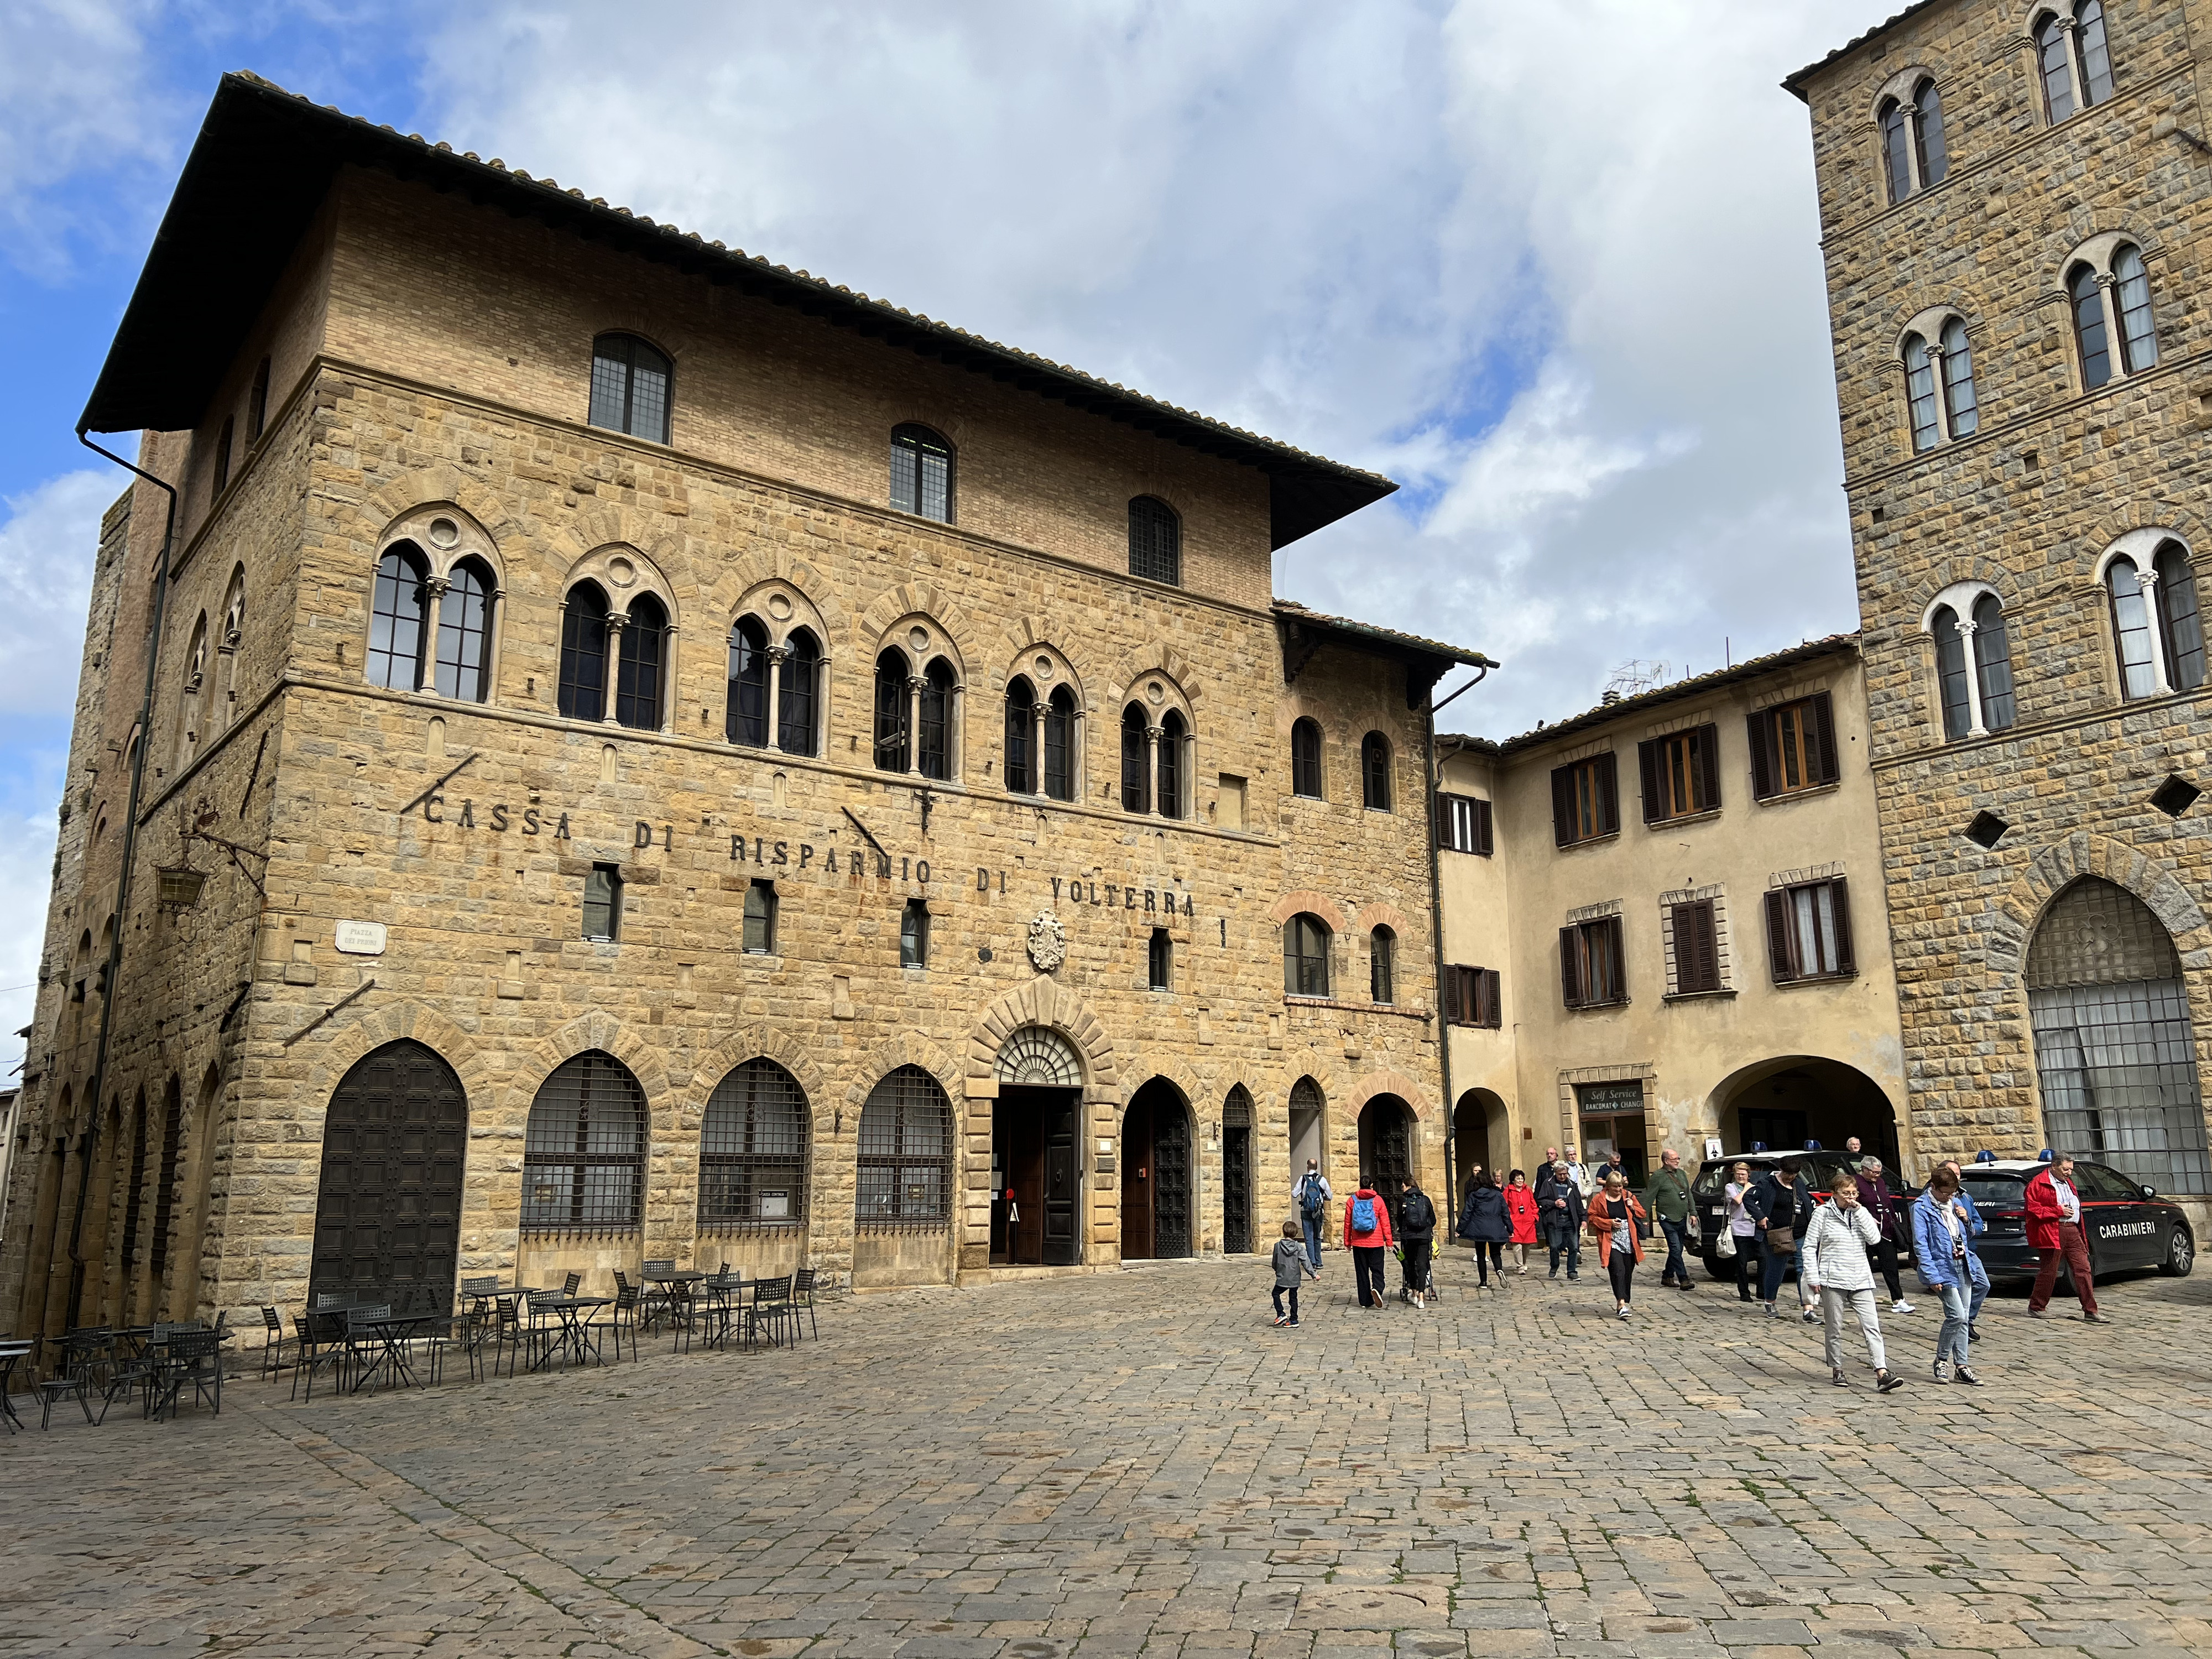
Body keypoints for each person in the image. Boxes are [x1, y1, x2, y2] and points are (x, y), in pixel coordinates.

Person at [1800, 1171, 1903, 1392]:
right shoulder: (1822, 1214)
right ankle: (1837, 1368)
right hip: (1833, 1278)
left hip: (1861, 1278)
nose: (1851, 1197)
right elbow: (1809, 1247)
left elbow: (1875, 1239)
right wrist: (1813, 1277)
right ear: (1834, 1194)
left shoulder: (1861, 1212)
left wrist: (1861, 1214)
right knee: (1835, 1327)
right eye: (1846, 1194)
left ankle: (1882, 1373)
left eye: (1854, 1193)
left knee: (1872, 1327)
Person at [1912, 1166, 1984, 1384]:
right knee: (1957, 1316)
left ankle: (1962, 1366)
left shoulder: (1956, 1202)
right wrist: (1932, 1276)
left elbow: (1971, 1233)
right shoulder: (1921, 1208)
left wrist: (1965, 1220)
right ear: (1933, 1187)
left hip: (1963, 1264)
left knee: (1964, 1320)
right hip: (1942, 1267)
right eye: (1945, 1193)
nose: (1949, 1197)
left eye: (1952, 1193)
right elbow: (1921, 1245)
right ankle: (1941, 1360)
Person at [2026, 1153, 2104, 1322]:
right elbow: (2033, 1210)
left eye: (2071, 1170)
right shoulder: (2038, 1184)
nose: (2069, 1173)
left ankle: (2090, 1310)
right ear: (2054, 1166)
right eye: (2065, 1169)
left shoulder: (2069, 1183)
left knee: (2084, 1269)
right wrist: (2058, 1211)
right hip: (2052, 1230)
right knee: (2049, 1271)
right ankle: (2037, 1306)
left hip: (2073, 1231)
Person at [1750, 1158, 1812, 1319]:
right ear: (1781, 1170)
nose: (1790, 1177)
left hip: (1800, 1233)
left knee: (1803, 1270)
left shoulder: (1798, 1184)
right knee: (1777, 1270)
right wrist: (1760, 1216)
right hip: (1778, 1235)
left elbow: (1807, 1203)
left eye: (1794, 1174)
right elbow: (1748, 1199)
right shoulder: (1768, 1183)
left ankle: (1808, 1308)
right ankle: (1770, 1301)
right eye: (1788, 1174)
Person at [1937, 1159, 1991, 1340]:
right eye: (1952, 1174)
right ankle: (1960, 1325)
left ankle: (1968, 1321)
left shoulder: (1966, 1197)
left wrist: (1966, 1220)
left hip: (1967, 1250)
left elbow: (1977, 1223)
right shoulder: (1935, 1198)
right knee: (1957, 1292)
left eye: (1958, 1174)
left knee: (1983, 1284)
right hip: (1948, 1253)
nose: (1956, 1178)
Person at [1855, 1156, 1912, 1313]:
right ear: (1865, 1170)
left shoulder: (1880, 1182)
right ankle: (1858, 1298)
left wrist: (1893, 1221)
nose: (1877, 1176)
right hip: (1865, 1234)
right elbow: (1852, 1203)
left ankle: (1898, 1300)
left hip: (1886, 1231)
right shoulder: (1855, 1181)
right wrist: (1866, 1216)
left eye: (1879, 1173)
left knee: (1891, 1266)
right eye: (1874, 1172)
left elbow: (1887, 1202)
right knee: (1862, 1267)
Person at [1587, 1171, 1646, 1318]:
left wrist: (1633, 1207)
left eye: (1620, 1186)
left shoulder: (1628, 1196)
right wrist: (1609, 1223)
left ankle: (1623, 1299)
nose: (1619, 1189)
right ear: (1608, 1186)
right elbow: (1592, 1217)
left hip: (1629, 1240)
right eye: (1615, 1187)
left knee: (1627, 1272)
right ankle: (1621, 1304)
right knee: (1617, 1270)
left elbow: (1643, 1213)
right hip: (1611, 1241)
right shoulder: (1599, 1199)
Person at [1646, 1147, 1695, 1291]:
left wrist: (1693, 1212)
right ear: (1666, 1161)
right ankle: (1684, 1279)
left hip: (1681, 1218)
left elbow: (1688, 1194)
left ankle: (1667, 1276)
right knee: (1675, 1248)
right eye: (1675, 1159)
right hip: (1666, 1219)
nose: (1678, 1161)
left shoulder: (1681, 1174)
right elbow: (1649, 1197)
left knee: (1678, 1249)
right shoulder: (1658, 1176)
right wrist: (1644, 1217)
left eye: (1678, 1159)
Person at [1344, 1175, 1394, 1309]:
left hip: (1359, 1243)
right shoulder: (1378, 1200)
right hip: (1376, 1242)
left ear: (1360, 1185)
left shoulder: (1352, 1200)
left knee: (1362, 1272)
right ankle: (1377, 1288)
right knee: (1378, 1270)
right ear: (1371, 1185)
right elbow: (1385, 1223)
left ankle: (1365, 1301)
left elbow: (1348, 1223)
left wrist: (1347, 1242)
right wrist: (1389, 1242)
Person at [1459, 1171, 1510, 1287]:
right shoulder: (1498, 1195)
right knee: (1496, 1253)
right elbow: (1505, 1213)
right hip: (1495, 1229)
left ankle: (1483, 1282)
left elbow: (1467, 1213)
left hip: (1479, 1229)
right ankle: (1499, 1270)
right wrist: (1510, 1228)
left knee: (1481, 1255)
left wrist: (1460, 1229)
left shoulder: (1474, 1195)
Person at [1540, 1160, 1586, 1280]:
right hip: (1556, 1219)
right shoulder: (1548, 1183)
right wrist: (1554, 1203)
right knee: (1555, 1246)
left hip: (1571, 1220)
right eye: (1560, 1174)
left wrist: (1583, 1219)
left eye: (1565, 1174)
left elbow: (1578, 1204)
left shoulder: (1572, 1184)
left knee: (1574, 1247)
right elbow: (1541, 1201)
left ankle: (1572, 1271)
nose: (1563, 1176)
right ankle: (1554, 1265)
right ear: (1555, 1172)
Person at [1397, 1175, 1437, 1309]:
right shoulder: (1425, 1200)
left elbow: (1399, 1219)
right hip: (1423, 1237)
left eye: (1403, 1186)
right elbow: (1433, 1220)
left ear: (1408, 1186)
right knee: (1422, 1265)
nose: (1402, 1189)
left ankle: (1413, 1293)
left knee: (1410, 1264)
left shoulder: (1403, 1200)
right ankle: (1421, 1297)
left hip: (1409, 1238)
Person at [1723, 1160, 1760, 1304]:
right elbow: (1738, 1200)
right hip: (1739, 1230)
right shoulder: (1730, 1187)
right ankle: (1744, 1292)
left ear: (1748, 1175)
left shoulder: (1755, 1187)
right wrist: (1747, 1189)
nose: (1741, 1177)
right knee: (1742, 1262)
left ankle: (1761, 1290)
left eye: (1743, 1174)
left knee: (1763, 1258)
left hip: (1755, 1229)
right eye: (1738, 1174)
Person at [1270, 1219, 1315, 1327]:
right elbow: (1305, 1261)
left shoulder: (1278, 1246)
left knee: (1276, 1294)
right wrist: (1313, 1274)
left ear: (1284, 1232)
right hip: (1295, 1276)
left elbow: (1275, 1261)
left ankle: (1281, 1313)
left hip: (1282, 1276)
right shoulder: (1298, 1247)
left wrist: (1277, 1270)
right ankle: (1294, 1319)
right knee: (1293, 1297)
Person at [1293, 1160, 1333, 1274]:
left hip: (1306, 1211)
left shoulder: (1303, 1179)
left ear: (1308, 1167)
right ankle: (1319, 1261)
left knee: (1308, 1238)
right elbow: (1330, 1196)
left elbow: (1294, 1194)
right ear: (1316, 1167)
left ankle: (1312, 1262)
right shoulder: (1322, 1180)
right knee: (1317, 1237)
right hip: (1318, 1212)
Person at [1503, 1170, 1539, 1274]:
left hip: (1528, 1221)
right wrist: (1508, 1219)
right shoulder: (1508, 1191)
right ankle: (1520, 1266)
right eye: (1518, 1178)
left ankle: (1523, 1262)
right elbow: (1504, 1206)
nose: (1520, 1180)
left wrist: (1534, 1216)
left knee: (1527, 1246)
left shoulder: (1527, 1190)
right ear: (1513, 1180)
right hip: (1515, 1222)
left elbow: (1533, 1204)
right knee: (1517, 1245)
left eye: (1522, 1178)